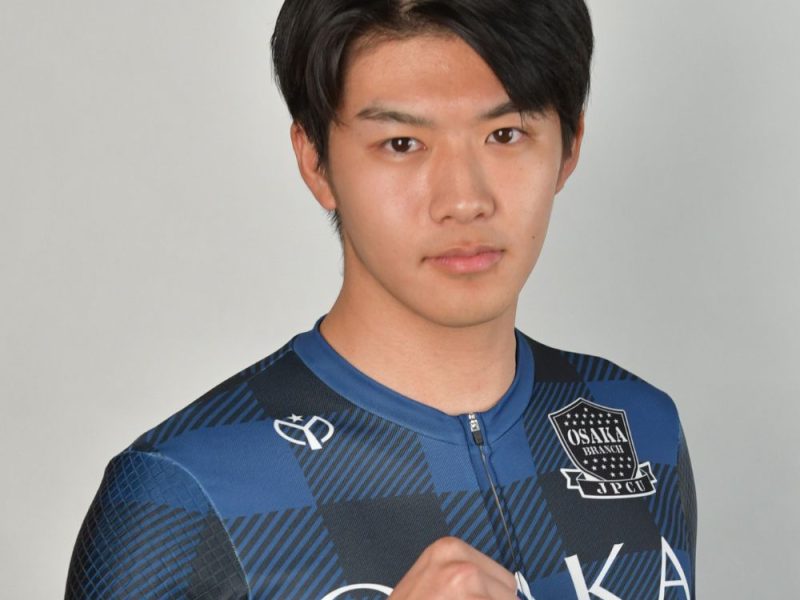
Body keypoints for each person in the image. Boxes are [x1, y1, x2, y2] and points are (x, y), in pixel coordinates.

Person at [66, 0, 697, 598]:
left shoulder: (642, 424)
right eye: (401, 144)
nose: (464, 200)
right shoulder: (178, 497)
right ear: (316, 162)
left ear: (569, 146)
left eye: (505, 134)